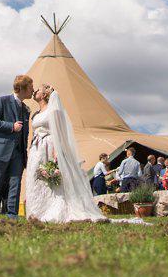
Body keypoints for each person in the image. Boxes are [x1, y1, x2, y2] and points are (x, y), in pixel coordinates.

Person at [23, 84, 106, 222]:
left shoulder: (54, 110)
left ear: (44, 95)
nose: (34, 91)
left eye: (38, 90)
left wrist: (57, 152)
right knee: (36, 178)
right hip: (36, 149)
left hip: (49, 147)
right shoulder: (36, 114)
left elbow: (60, 132)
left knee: (51, 180)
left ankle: (53, 210)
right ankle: (37, 211)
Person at [0, 75, 32, 220]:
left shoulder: (26, 109)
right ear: (22, 88)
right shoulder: (1, 101)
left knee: (15, 185)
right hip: (0, 150)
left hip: (18, 152)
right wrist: (11, 126)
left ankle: (12, 216)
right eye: (30, 87)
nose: (33, 90)